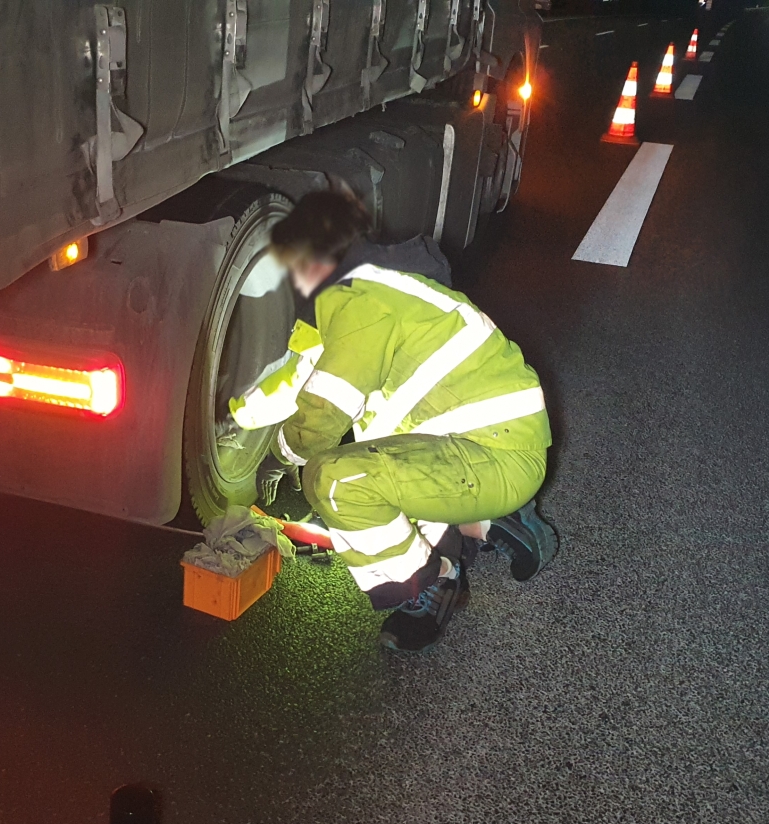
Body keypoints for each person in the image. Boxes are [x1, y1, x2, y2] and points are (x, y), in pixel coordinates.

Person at [235, 190, 556, 651]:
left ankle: (434, 579)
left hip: (493, 453)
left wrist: (283, 462)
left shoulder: (364, 301)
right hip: (475, 445)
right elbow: (297, 381)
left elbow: (324, 409)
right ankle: (488, 521)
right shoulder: (363, 303)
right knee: (377, 477)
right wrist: (235, 416)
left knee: (338, 482)